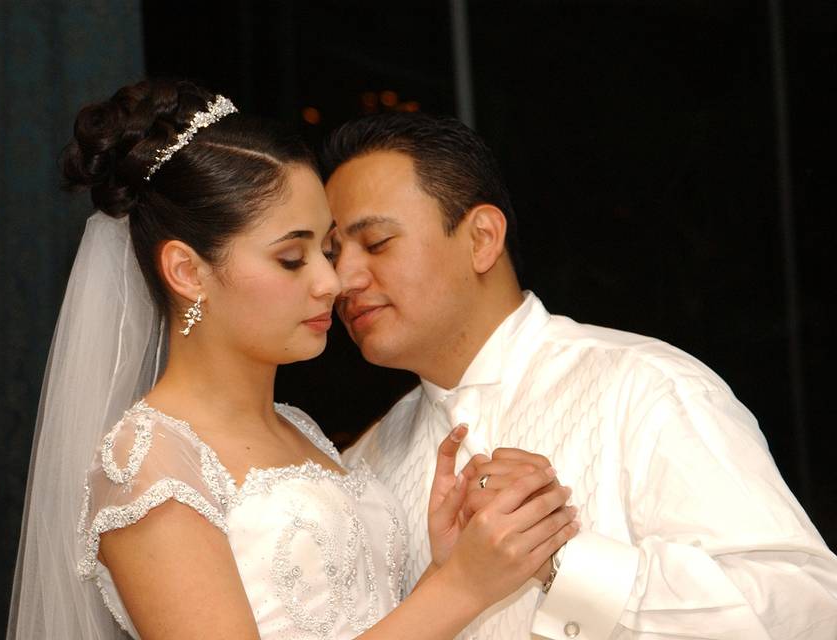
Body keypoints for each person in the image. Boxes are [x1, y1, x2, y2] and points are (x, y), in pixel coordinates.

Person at [6, 79, 580, 640]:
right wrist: (459, 587)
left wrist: (442, 567)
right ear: (187, 272)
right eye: (290, 258)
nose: (333, 281)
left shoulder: (301, 430)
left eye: (326, 250)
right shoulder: (149, 461)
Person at [322, 112, 837, 640]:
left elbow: (805, 610)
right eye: (332, 254)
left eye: (377, 242)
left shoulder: (645, 387)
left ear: (481, 238)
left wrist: (560, 559)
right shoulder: (362, 467)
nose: (342, 279)